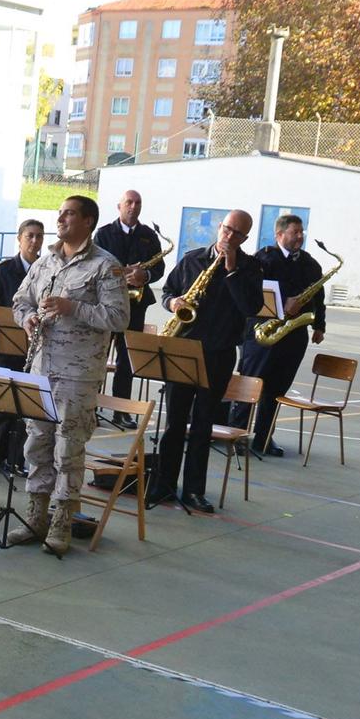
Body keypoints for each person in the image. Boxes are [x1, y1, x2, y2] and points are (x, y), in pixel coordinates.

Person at [9, 198, 123, 555]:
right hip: (42, 366)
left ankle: (62, 518)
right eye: (59, 212)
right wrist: (26, 318)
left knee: (69, 446)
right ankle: (36, 514)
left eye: (69, 213)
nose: (60, 218)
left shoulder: (106, 266)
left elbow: (118, 317)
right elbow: (20, 300)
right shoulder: (46, 261)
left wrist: (74, 307)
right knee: (37, 441)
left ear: (88, 221)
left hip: (78, 372)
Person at [152, 210, 263, 513]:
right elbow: (169, 291)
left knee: (202, 425)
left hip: (219, 353)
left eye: (237, 234)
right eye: (227, 229)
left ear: (245, 238)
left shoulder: (251, 268)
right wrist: (173, 302)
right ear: (220, 226)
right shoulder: (192, 258)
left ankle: (194, 491)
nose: (229, 236)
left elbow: (251, 307)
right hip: (184, 349)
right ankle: (163, 485)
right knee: (174, 423)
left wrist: (231, 270)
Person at [233, 213, 326, 457]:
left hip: (294, 336)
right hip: (261, 333)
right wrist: (284, 303)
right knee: (249, 384)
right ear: (279, 235)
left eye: (301, 231)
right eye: (295, 232)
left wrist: (320, 326)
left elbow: (319, 298)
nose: (300, 236)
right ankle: (236, 434)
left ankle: (264, 438)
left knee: (277, 390)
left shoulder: (310, 264)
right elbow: (250, 292)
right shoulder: (262, 259)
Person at [0, 216, 44, 475]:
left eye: (39, 236)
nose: (35, 242)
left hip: (33, 352)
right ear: (20, 239)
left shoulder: (47, 270)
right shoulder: (4, 270)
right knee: (3, 409)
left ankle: (15, 461)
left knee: (26, 409)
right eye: (30, 236)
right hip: (5, 349)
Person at [93, 190, 164, 428]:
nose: (133, 207)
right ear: (119, 206)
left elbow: (160, 268)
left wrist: (145, 275)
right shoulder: (103, 234)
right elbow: (93, 266)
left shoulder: (148, 235)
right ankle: (91, 406)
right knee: (98, 356)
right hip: (106, 303)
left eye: (137, 203)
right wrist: (122, 274)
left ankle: (120, 411)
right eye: (129, 203)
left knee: (127, 361)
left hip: (136, 305)